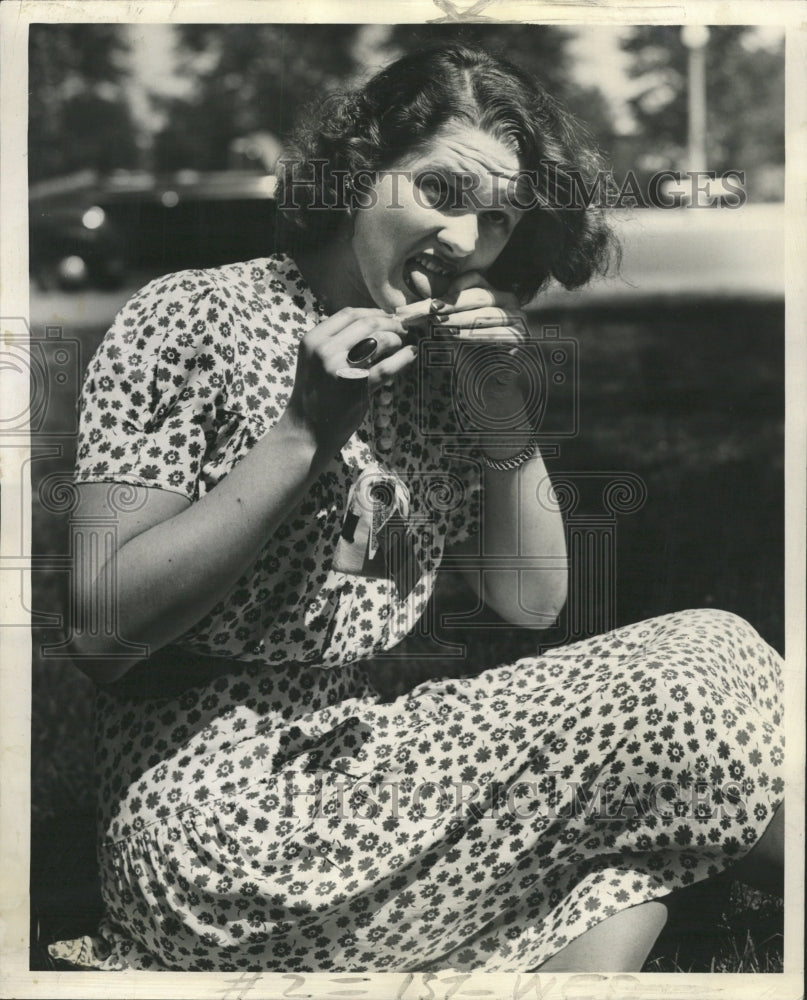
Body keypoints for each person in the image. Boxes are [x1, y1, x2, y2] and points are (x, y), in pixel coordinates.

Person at [49, 43, 784, 973]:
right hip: (212, 827)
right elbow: (102, 635)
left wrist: (501, 416)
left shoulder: (437, 368)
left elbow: (530, 602)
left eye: (498, 220)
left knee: (623, 878)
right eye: (440, 192)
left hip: (364, 772)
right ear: (360, 168)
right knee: (696, 664)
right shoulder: (190, 318)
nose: (467, 243)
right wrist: (302, 435)